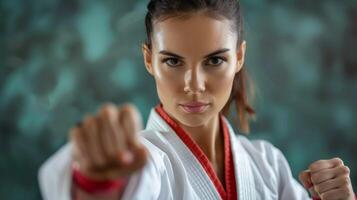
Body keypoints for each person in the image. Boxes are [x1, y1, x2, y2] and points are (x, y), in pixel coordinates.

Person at [38, 0, 356, 199]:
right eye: (173, 61)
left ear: (240, 57)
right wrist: (96, 185)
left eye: (214, 61)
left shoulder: (268, 164)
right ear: (149, 60)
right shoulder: (141, 160)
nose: (194, 85)